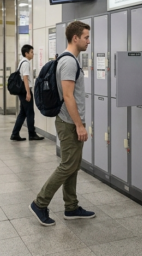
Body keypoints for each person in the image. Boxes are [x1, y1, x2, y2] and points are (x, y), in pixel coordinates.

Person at [29, 21, 96, 226]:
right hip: (69, 122)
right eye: (86, 37)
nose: (89, 41)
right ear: (75, 38)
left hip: (68, 121)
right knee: (68, 165)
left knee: (73, 165)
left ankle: (71, 206)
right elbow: (68, 96)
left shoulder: (68, 60)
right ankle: (40, 203)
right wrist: (79, 125)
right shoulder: (69, 62)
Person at [11, 44, 44, 141]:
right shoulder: (25, 63)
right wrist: (28, 93)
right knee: (30, 113)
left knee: (23, 113)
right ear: (26, 53)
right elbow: (25, 78)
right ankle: (32, 134)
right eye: (31, 52)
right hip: (25, 91)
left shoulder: (22, 62)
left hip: (22, 91)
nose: (33, 54)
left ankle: (15, 134)